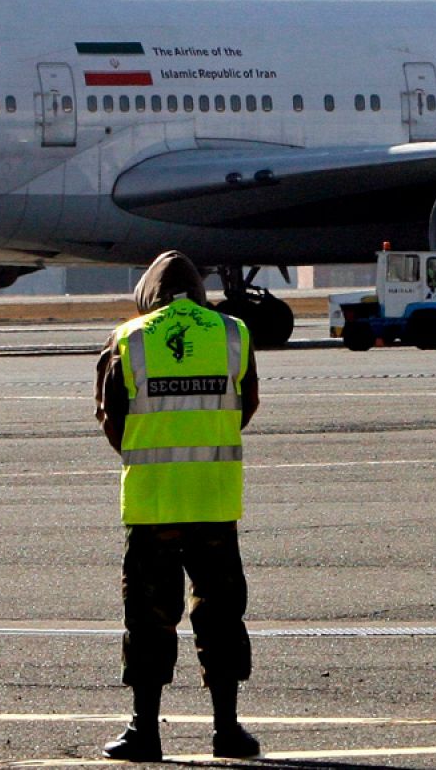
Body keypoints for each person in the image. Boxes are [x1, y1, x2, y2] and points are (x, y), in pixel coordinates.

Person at [93, 251, 261, 761]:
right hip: (214, 497)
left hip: (153, 503)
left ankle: (145, 731)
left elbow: (109, 415)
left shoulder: (129, 337)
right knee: (222, 614)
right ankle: (228, 731)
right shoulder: (232, 333)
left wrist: (146, 449)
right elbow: (247, 402)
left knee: (148, 616)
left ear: (148, 294)